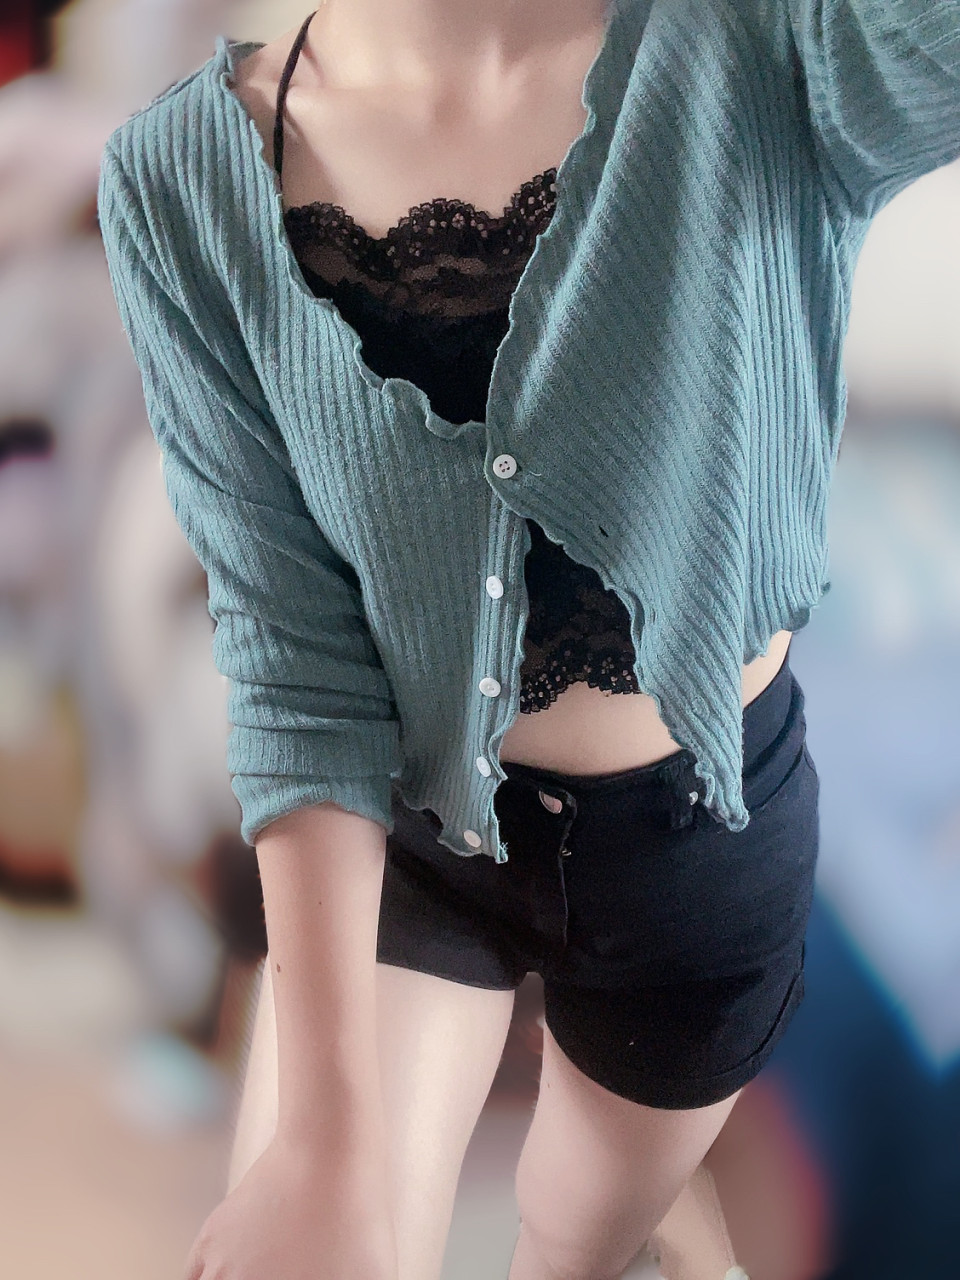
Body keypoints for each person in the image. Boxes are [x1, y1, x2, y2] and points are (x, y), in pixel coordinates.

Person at [96, 1, 960, 1277]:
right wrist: (321, 1143)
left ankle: (667, 1220)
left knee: (575, 1238)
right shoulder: (179, 177)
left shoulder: (774, 44)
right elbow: (290, 649)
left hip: (695, 849)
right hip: (408, 832)